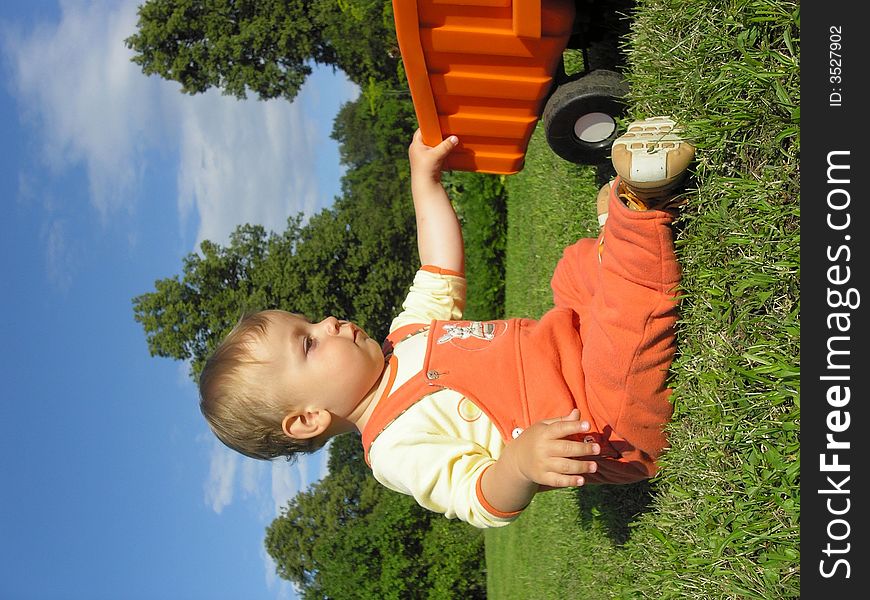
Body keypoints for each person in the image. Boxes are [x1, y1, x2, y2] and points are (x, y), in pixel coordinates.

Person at [198, 116, 695, 528]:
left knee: (572, 271)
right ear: (309, 419)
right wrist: (520, 463)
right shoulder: (395, 447)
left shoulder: (406, 337)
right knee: (629, 326)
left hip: (576, 343)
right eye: (308, 343)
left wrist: (424, 180)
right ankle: (640, 207)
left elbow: (438, 264)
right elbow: (478, 498)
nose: (328, 321)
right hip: (607, 422)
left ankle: (620, 244)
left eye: (310, 321)